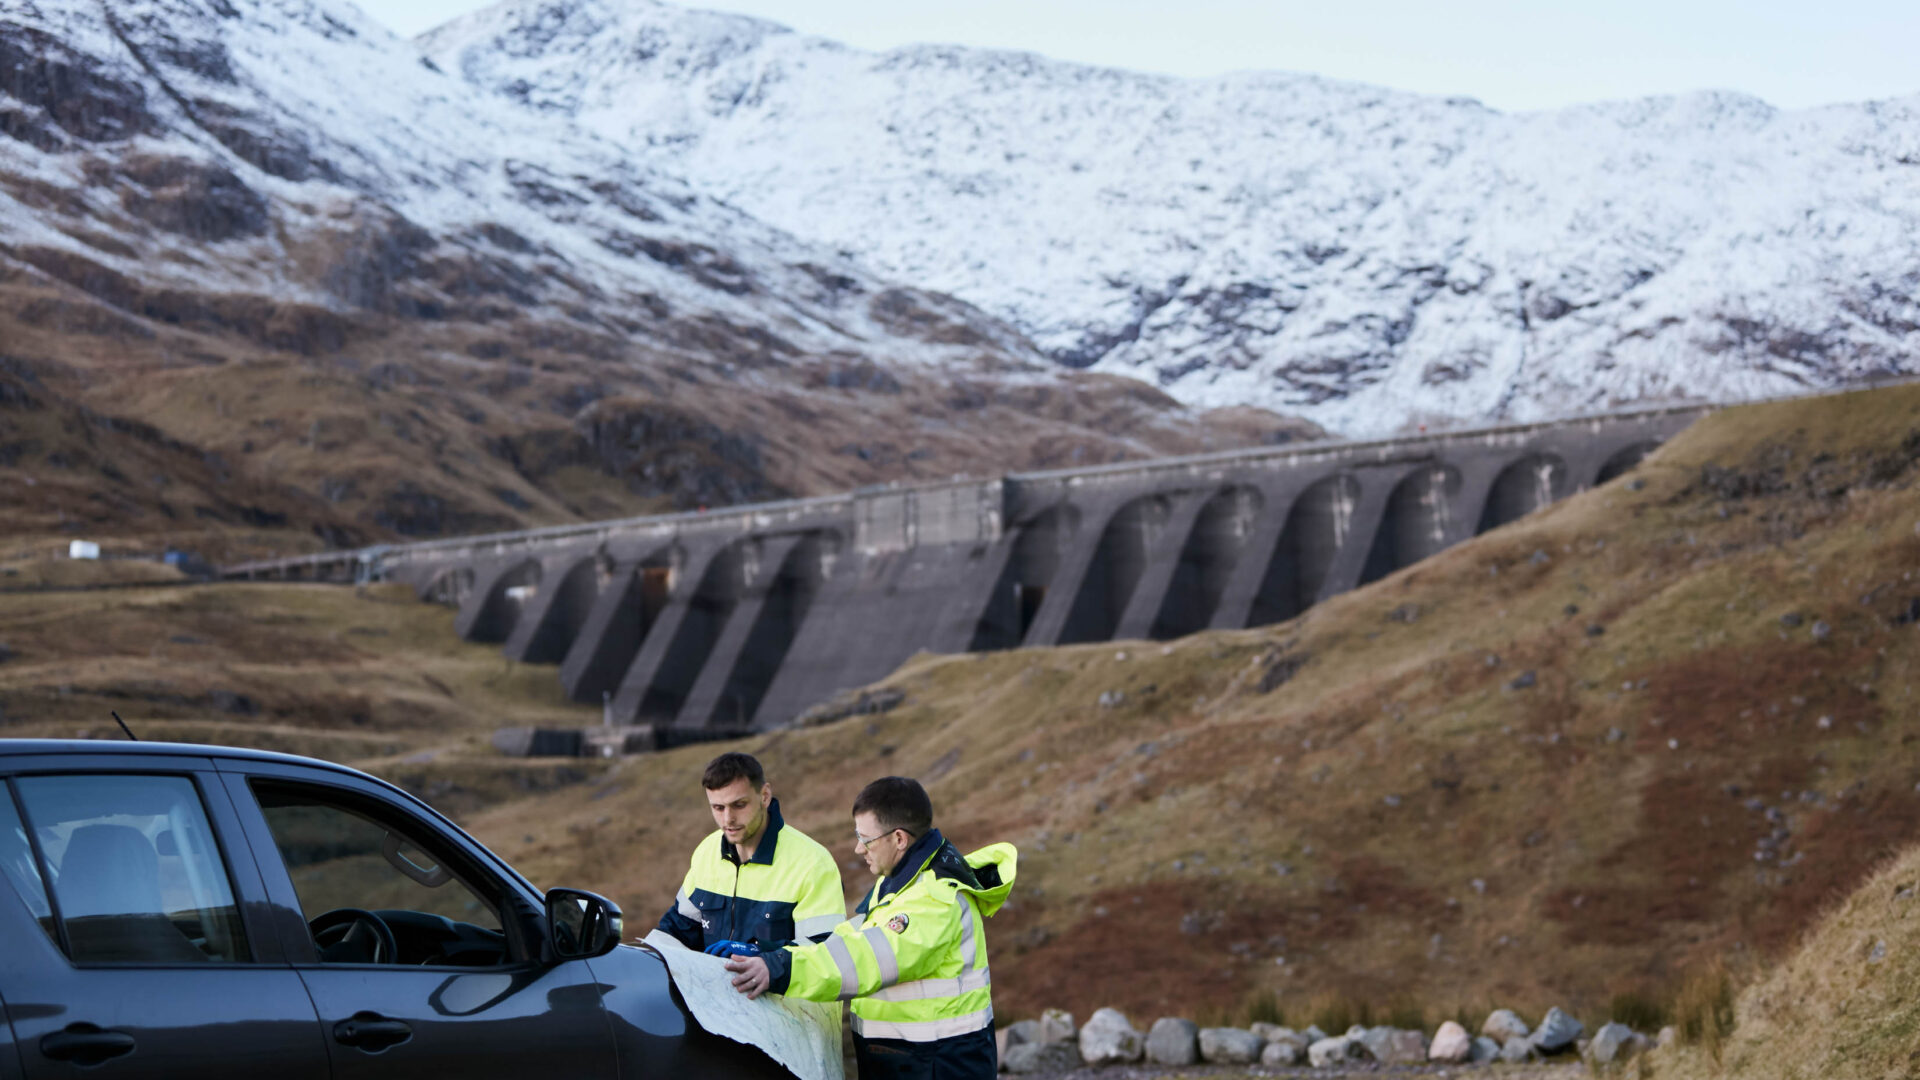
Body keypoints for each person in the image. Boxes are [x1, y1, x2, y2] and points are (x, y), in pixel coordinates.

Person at [725, 776, 1016, 1080]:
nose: (857, 849)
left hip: (937, 1064)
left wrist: (780, 969)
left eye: (866, 839)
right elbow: (855, 936)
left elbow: (867, 959)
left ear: (899, 839)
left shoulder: (933, 900)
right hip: (910, 1060)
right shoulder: (899, 880)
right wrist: (772, 952)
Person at [655, 752, 844, 955]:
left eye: (739, 805)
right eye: (718, 808)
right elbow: (677, 930)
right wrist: (639, 958)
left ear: (764, 796)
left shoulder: (813, 863)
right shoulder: (706, 851)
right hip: (710, 986)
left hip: (775, 987)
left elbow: (826, 953)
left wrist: (760, 955)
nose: (728, 819)